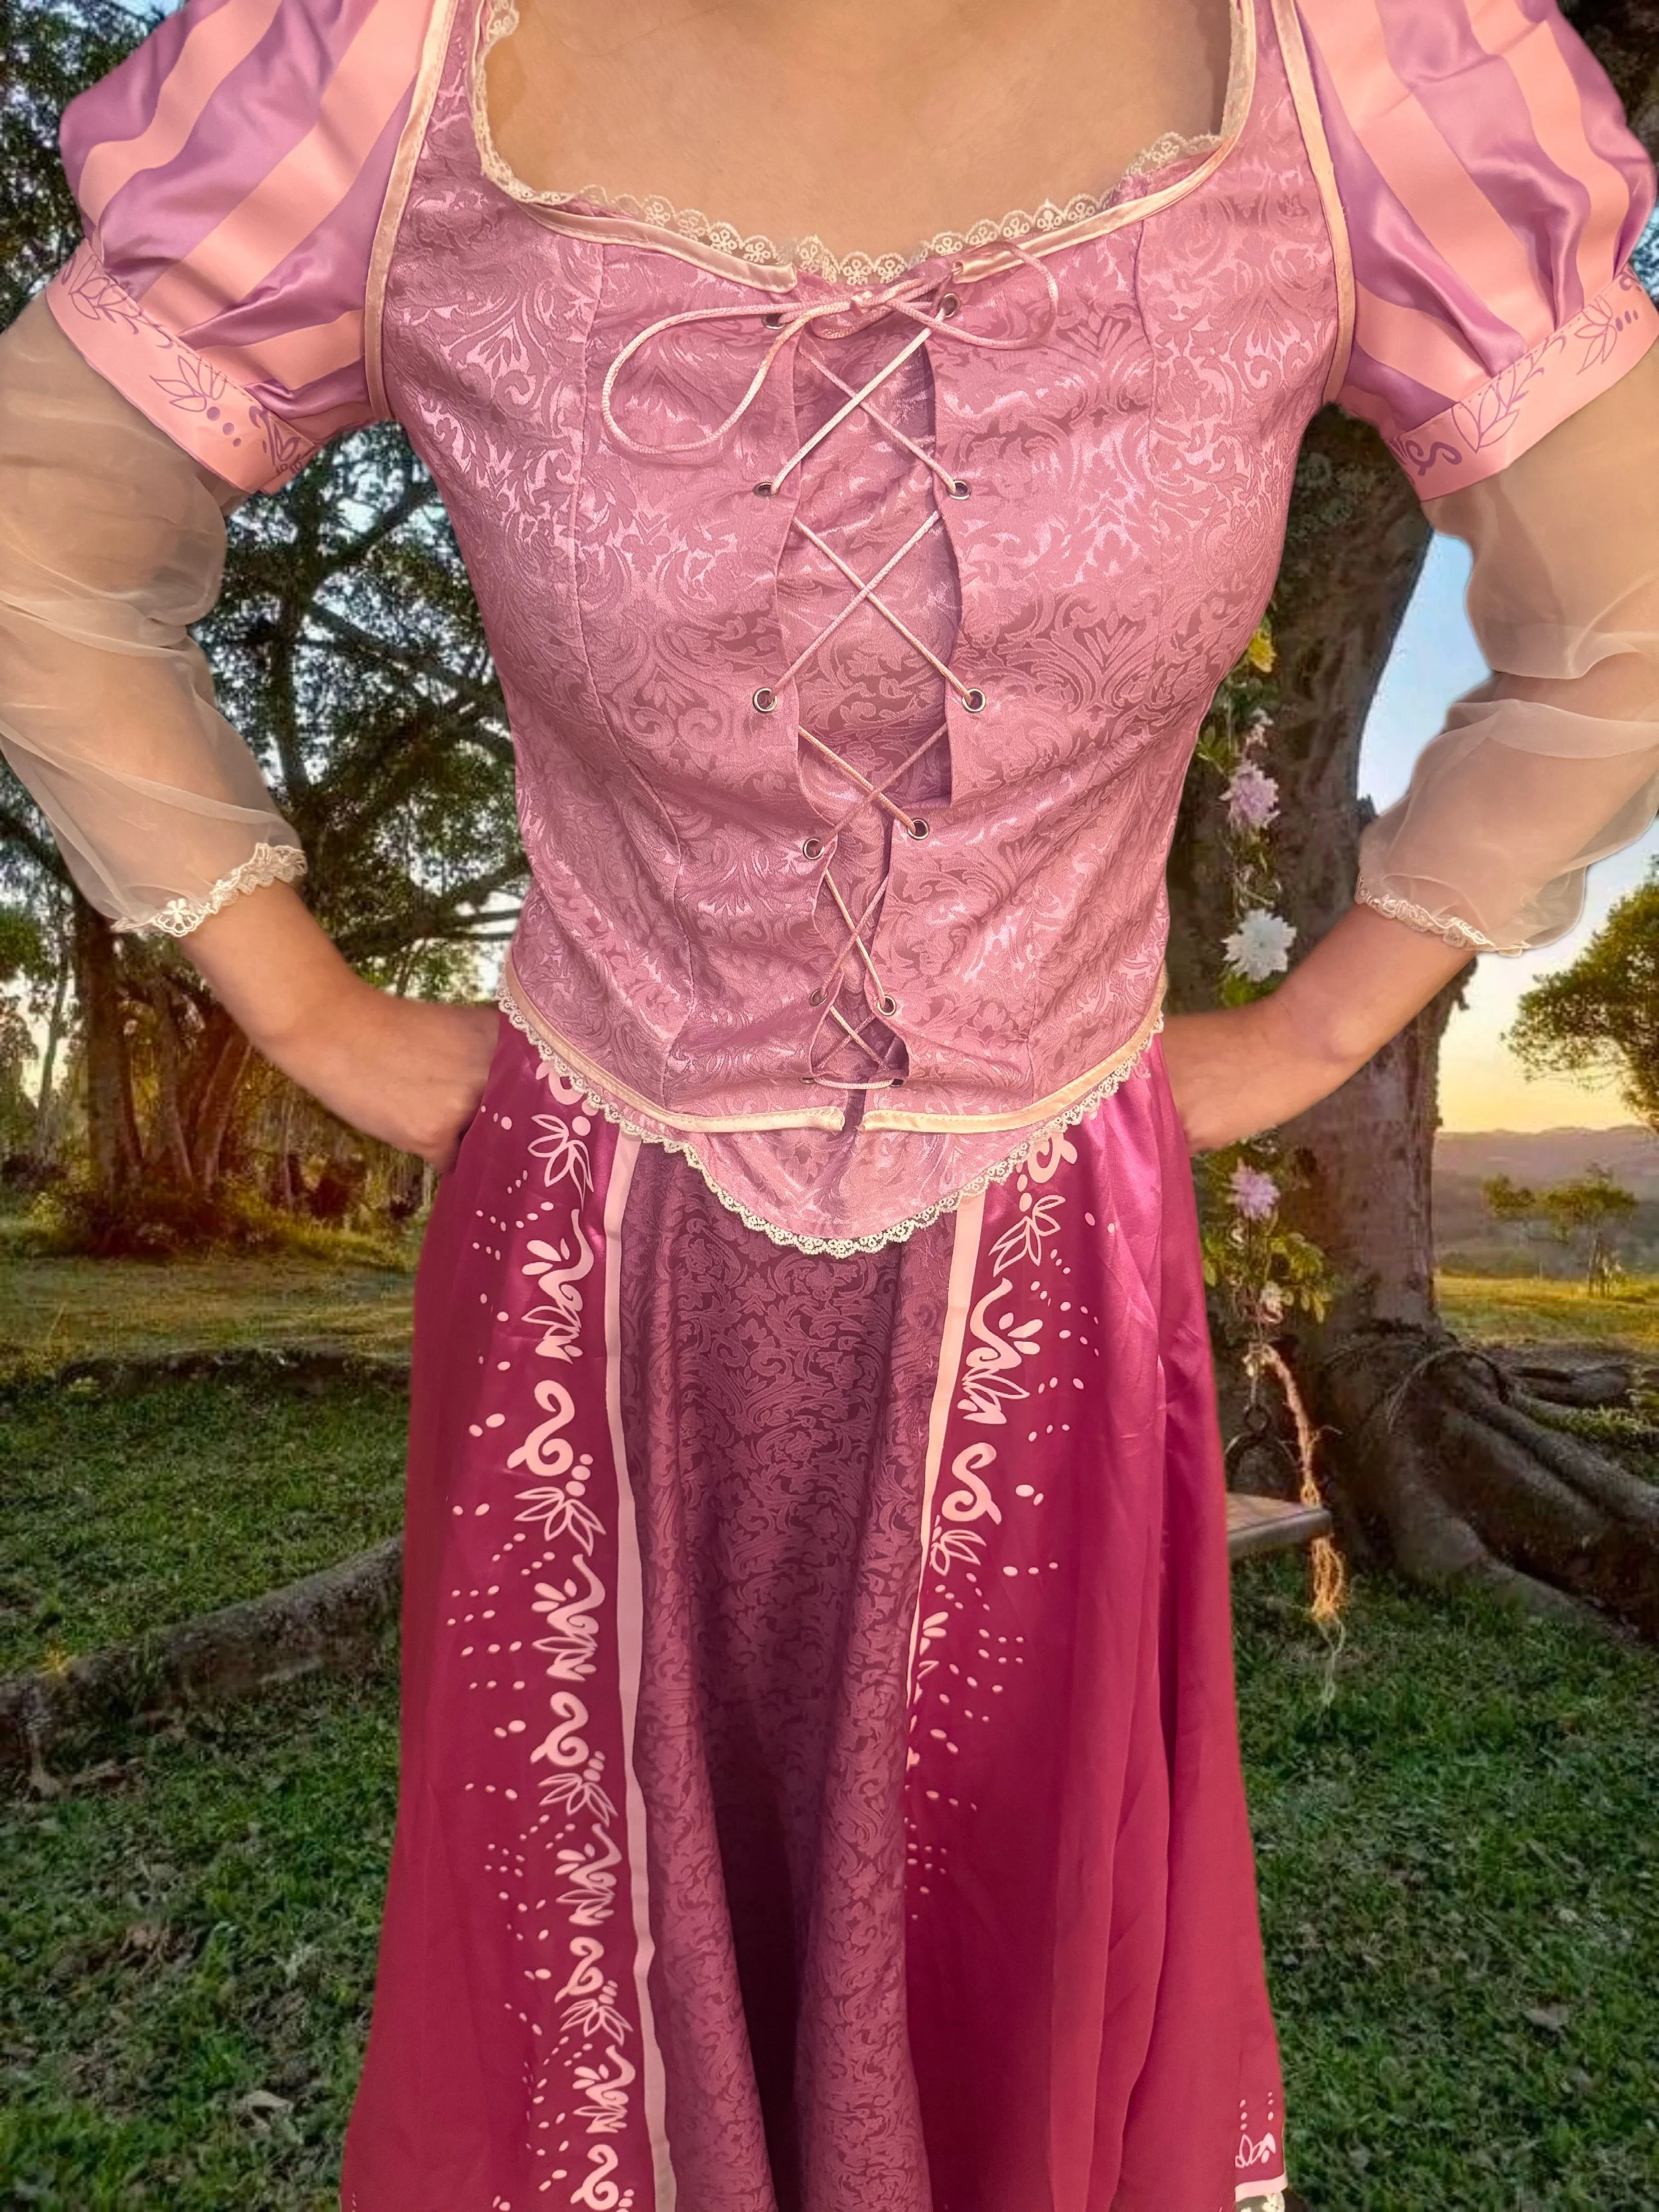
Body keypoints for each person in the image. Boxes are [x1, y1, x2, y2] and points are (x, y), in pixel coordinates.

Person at [2, 0, 1656, 2203]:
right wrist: (305, 1003)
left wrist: (1309, 1029)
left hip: (1050, 1281)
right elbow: (40, 530)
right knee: (597, 2051)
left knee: (1000, 1995)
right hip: (597, 1292)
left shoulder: (1348, 67)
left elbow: (1622, 604)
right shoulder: (394, 72)